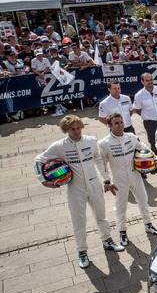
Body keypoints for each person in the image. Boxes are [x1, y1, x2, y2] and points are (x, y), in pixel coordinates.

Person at [34, 115, 124, 268]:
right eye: (72, 129)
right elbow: (38, 160)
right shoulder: (59, 146)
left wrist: (106, 180)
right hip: (75, 188)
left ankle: (107, 240)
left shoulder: (90, 141)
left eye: (78, 128)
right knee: (79, 221)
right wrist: (44, 181)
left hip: (94, 184)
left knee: (101, 216)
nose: (76, 132)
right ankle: (82, 251)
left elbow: (98, 159)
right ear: (66, 130)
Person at [97, 113, 157, 246]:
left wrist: (154, 159)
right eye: (116, 123)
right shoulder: (104, 143)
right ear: (109, 126)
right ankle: (122, 232)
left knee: (143, 200)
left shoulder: (131, 137)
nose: (120, 125)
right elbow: (102, 164)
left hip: (135, 176)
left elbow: (144, 148)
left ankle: (148, 224)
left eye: (121, 122)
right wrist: (106, 181)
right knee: (120, 207)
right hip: (119, 180)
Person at [133, 72, 157, 155]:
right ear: (142, 82)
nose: (150, 82)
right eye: (147, 80)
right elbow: (138, 110)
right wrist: (148, 115)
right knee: (153, 143)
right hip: (150, 123)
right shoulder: (139, 95)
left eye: (151, 80)